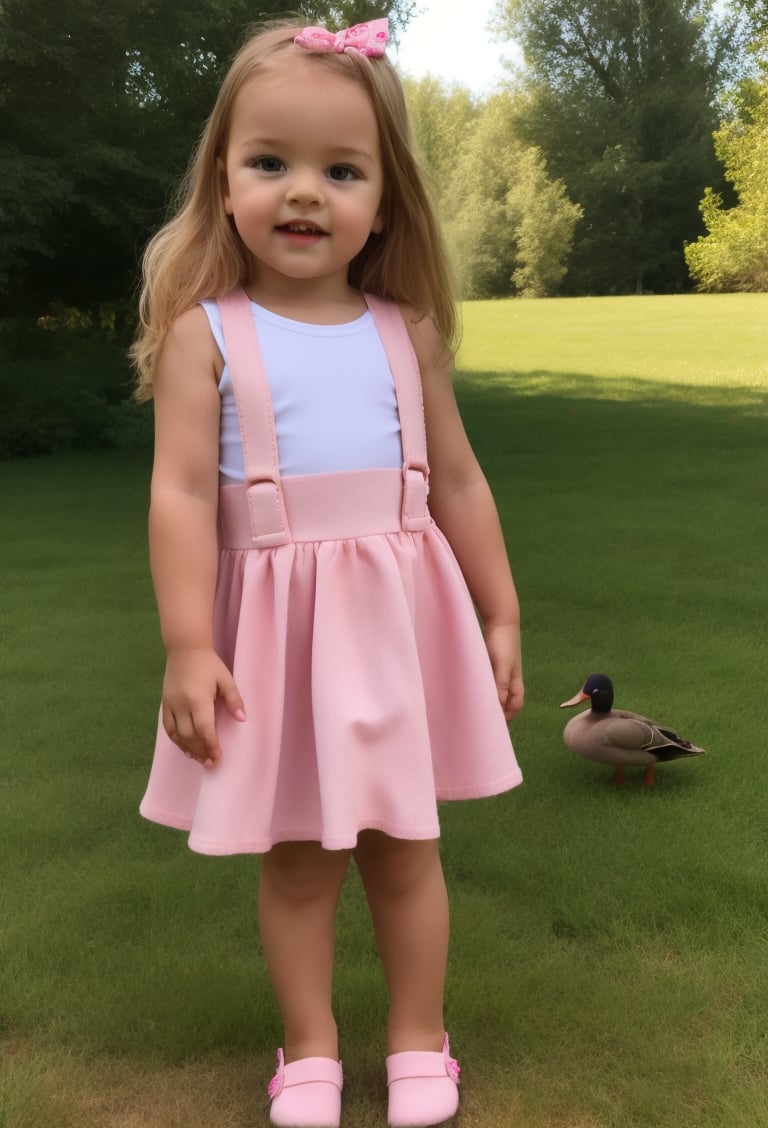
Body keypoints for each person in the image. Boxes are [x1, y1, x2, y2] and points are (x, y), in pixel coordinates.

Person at [132, 17, 523, 1128]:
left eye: (340, 171)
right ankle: (307, 1045)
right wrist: (188, 644)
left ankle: (418, 1041)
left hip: (399, 616)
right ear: (223, 179)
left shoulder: (410, 330)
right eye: (271, 164)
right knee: (300, 857)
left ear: (384, 199)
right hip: (276, 630)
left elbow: (457, 481)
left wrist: (500, 611)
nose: (304, 194)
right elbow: (181, 495)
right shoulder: (204, 333)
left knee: (408, 846)